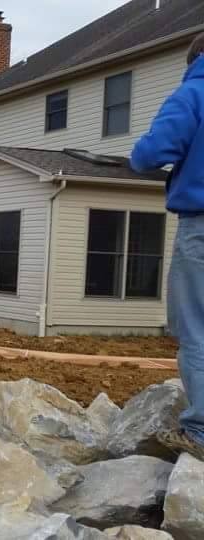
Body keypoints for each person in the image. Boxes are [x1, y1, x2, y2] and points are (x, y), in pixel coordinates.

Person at [131, 33, 204, 459]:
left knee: (196, 328)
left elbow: (151, 153)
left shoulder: (194, 92)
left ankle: (200, 431)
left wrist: (136, 155)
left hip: (201, 224)